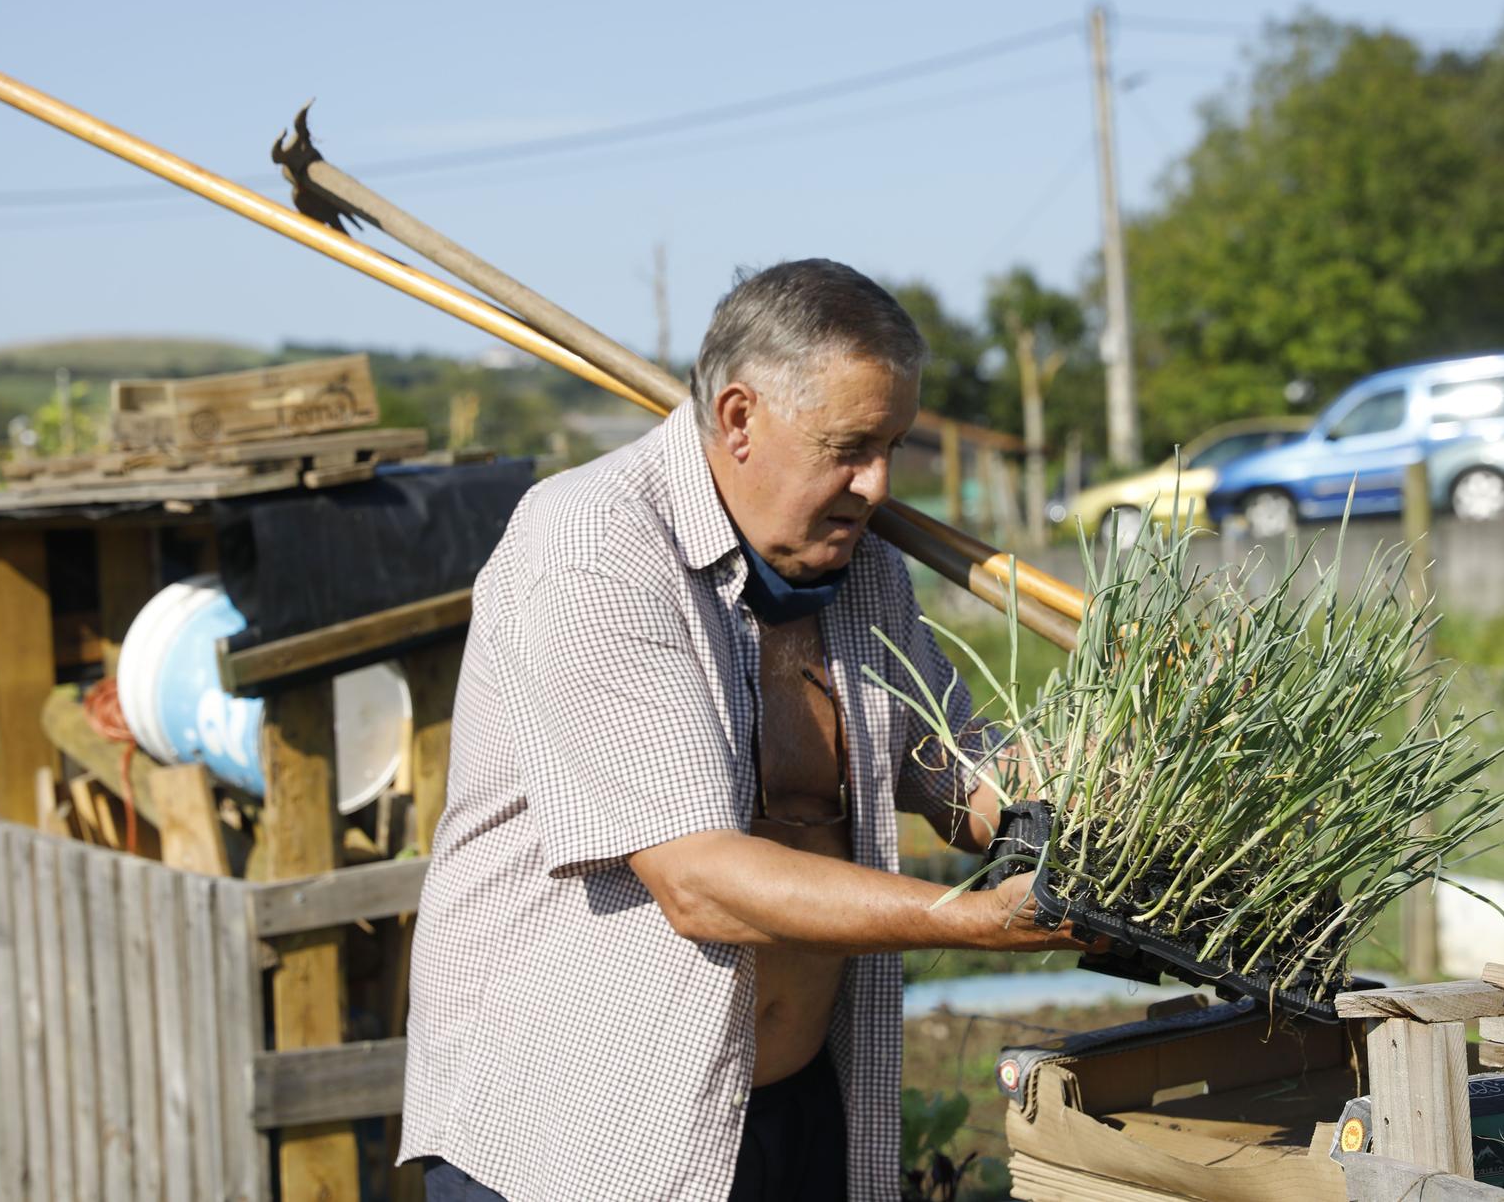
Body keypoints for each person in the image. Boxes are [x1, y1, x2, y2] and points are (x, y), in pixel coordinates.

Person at [400, 259, 1079, 1202]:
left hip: (791, 1108)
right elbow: (701, 881)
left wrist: (1098, 808)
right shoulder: (593, 548)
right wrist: (969, 918)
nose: (878, 485)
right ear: (737, 419)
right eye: (849, 445)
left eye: (892, 445)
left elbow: (958, 768)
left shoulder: (862, 566)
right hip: (583, 1138)